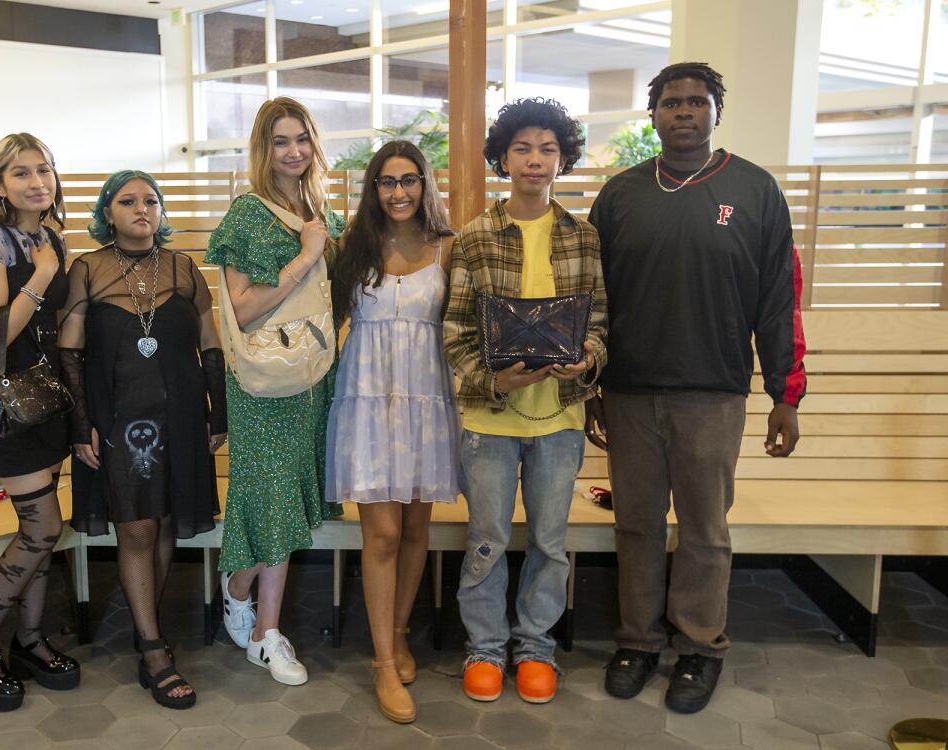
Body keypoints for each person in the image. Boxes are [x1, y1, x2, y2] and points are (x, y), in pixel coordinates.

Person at [586, 62, 806, 714]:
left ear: (716, 112)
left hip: (713, 394)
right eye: (671, 103)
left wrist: (785, 395)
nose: (684, 112)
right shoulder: (621, 195)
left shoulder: (755, 191)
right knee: (637, 525)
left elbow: (778, 301)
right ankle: (638, 640)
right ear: (652, 115)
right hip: (628, 393)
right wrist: (593, 387)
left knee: (705, 531)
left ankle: (700, 645)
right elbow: (593, 302)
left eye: (696, 102)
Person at [443, 98, 607, 705]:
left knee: (549, 539)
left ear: (562, 158)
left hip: (560, 416)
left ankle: (535, 646)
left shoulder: (583, 236)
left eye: (547, 149)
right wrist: (494, 383)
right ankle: (485, 648)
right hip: (490, 416)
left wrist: (586, 356)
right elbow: (456, 330)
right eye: (522, 148)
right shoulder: (476, 237)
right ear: (502, 158)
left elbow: (601, 323)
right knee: (486, 536)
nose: (535, 160)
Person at [59, 170, 226, 709]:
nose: (141, 209)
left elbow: (210, 345)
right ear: (107, 211)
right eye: (127, 201)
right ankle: (154, 649)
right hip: (118, 422)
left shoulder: (184, 268)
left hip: (179, 417)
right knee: (136, 529)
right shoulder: (86, 269)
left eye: (150, 200)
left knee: (167, 522)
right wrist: (79, 421)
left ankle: (143, 625)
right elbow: (71, 352)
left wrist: (216, 412)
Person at [204, 96, 344, 686]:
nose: (293, 151)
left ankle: (245, 596)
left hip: (313, 376)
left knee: (289, 497)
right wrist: (306, 257)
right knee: (273, 496)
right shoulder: (247, 215)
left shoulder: (322, 212)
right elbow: (240, 307)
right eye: (280, 141)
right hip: (265, 382)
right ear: (264, 151)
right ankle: (263, 629)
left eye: (302, 139)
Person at [326, 140, 458, 723]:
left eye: (409, 180)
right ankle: (383, 662)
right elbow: (321, 323)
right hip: (369, 397)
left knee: (413, 529)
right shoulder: (350, 248)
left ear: (426, 183)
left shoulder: (448, 247)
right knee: (380, 533)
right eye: (387, 181)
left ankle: (400, 631)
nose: (399, 191)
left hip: (428, 399)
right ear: (372, 188)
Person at [0, 133, 80, 711]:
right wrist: (45, 271)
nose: (37, 182)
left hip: (47, 399)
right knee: (42, 529)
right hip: (7, 405)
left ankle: (29, 639)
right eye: (21, 173)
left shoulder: (49, 235)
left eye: (44, 170)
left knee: (43, 529)